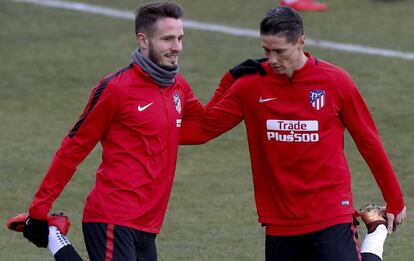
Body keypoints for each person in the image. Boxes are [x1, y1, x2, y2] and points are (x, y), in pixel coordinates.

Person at [21, 1, 260, 260]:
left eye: (180, 38)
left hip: (148, 223)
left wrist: (231, 82)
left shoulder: (177, 86)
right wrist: (38, 210)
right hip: (112, 216)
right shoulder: (115, 89)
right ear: (143, 40)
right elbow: (73, 148)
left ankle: (55, 239)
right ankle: (53, 237)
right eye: (168, 39)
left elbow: (202, 128)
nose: (177, 47)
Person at [179, 6, 406, 261]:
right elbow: (201, 130)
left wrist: (394, 199)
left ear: (300, 42)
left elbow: (369, 142)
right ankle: (375, 229)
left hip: (330, 212)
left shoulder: (335, 82)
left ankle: (375, 234)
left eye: (279, 52)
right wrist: (228, 80)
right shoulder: (250, 86)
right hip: (279, 219)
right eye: (266, 51)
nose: (272, 59)